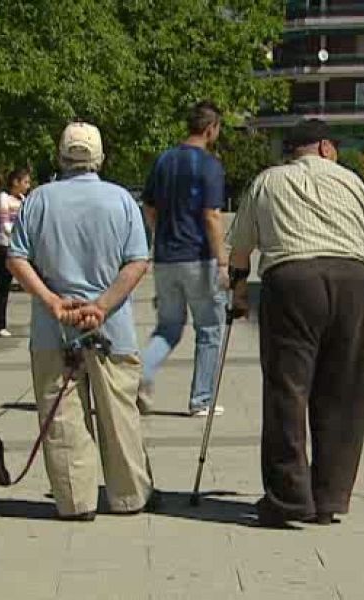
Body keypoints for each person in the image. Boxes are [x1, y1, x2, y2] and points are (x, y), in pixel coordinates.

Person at [227, 119, 364, 528]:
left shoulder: (266, 182)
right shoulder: (352, 182)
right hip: (351, 280)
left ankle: (288, 499)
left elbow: (240, 250)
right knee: (344, 391)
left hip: (292, 280)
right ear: (323, 147)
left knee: (288, 388)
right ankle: (330, 495)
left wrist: (239, 293)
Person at [7, 121, 156, 521]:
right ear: (99, 157)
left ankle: (75, 502)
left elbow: (17, 258)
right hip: (111, 328)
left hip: (53, 328)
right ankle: (128, 496)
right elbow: (137, 262)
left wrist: (53, 300)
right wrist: (103, 305)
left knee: (63, 417)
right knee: (119, 414)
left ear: (61, 155)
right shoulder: (121, 200)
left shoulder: (37, 200)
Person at [138, 100, 229, 417]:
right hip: (198, 257)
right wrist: (224, 262)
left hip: (165, 257)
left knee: (168, 327)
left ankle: (144, 374)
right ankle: (200, 399)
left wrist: (161, 232)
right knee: (209, 330)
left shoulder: (164, 160)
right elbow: (212, 216)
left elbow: (149, 207)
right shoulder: (209, 165)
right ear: (210, 129)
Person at [0, 167, 31, 336]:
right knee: (3, 285)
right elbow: (5, 225)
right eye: (26, 182)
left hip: (22, 246)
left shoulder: (23, 200)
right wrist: (19, 236)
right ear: (15, 182)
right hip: (6, 245)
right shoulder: (3, 198)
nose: (28, 185)